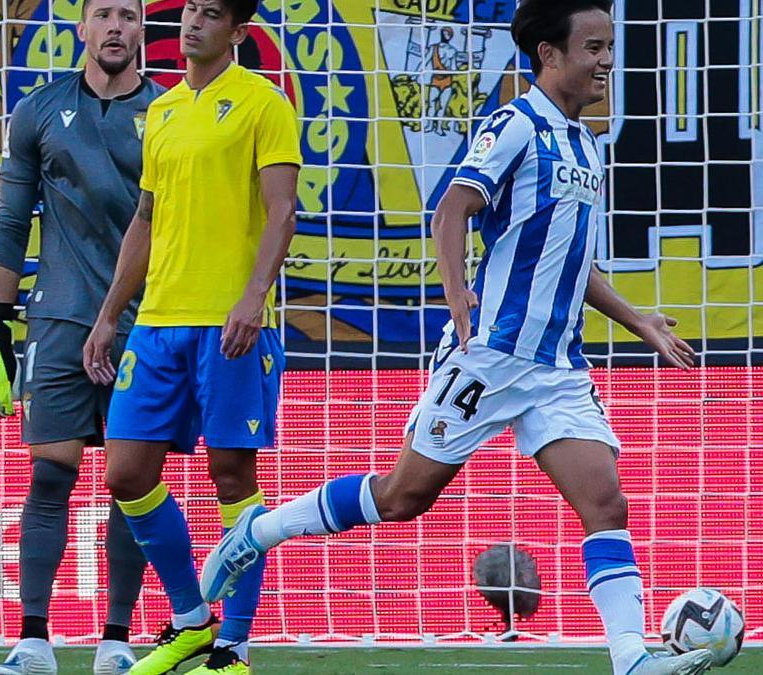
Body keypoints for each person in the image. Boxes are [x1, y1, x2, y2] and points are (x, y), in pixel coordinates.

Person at [201, 1, 714, 673]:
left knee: (605, 498)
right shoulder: (516, 123)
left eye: (610, 47)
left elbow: (565, 259)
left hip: (555, 365)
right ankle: (257, 531)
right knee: (402, 496)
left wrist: (637, 318)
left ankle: (632, 659)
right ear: (549, 56)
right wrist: (455, 290)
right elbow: (453, 207)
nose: (606, 62)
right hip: (491, 353)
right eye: (593, 47)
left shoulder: (586, 145)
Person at [80, 0, 301, 672]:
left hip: (228, 321)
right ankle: (190, 619)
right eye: (189, 10)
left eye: (210, 13)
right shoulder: (164, 113)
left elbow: (282, 210)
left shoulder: (265, 104)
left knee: (232, 474)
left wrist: (253, 297)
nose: (193, 22)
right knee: (125, 471)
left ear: (236, 32)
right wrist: (110, 312)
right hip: (158, 323)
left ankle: (232, 647)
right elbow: (145, 219)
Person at [0, 1, 165, 673]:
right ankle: (33, 641)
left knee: (132, 482)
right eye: (103, 14)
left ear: (144, 30)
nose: (116, 27)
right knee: (50, 475)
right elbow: (9, 224)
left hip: (148, 324)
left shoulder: (171, 115)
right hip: (56, 319)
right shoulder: (37, 111)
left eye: (129, 15)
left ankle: (116, 640)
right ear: (80, 29)